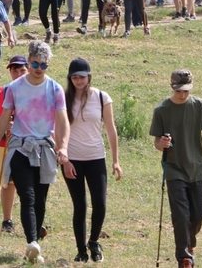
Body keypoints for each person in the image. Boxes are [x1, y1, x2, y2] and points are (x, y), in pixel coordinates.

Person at [0, 41, 70, 265]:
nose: (39, 68)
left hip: (45, 148)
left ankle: (35, 246)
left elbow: (63, 121)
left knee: (40, 201)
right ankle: (31, 241)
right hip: (20, 147)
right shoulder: (14, 88)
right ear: (29, 61)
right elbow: (4, 120)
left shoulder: (55, 89)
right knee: (28, 195)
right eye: (35, 63)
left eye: (44, 65)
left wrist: (63, 147)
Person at [150, 69, 202, 268]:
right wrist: (161, 144)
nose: (182, 95)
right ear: (172, 87)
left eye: (186, 91)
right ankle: (184, 257)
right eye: (179, 91)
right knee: (181, 215)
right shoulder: (162, 110)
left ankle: (189, 244)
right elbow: (156, 142)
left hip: (196, 168)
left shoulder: (200, 106)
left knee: (198, 215)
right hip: (174, 169)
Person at [62, 58, 122, 263]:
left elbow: (111, 129)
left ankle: (94, 241)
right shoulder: (63, 98)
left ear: (89, 76)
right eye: (75, 77)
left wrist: (116, 160)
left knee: (100, 203)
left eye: (82, 76)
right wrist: (64, 159)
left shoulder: (102, 97)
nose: (79, 81)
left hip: (96, 157)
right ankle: (81, 250)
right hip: (72, 159)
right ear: (70, 79)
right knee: (80, 205)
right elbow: (57, 130)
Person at [0, 55, 29, 234]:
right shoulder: (3, 91)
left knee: (30, 183)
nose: (18, 73)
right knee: (8, 182)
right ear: (10, 72)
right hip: (7, 144)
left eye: (22, 70)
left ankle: (32, 220)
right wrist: (6, 125)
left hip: (30, 143)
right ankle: (7, 220)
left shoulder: (36, 90)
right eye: (15, 70)